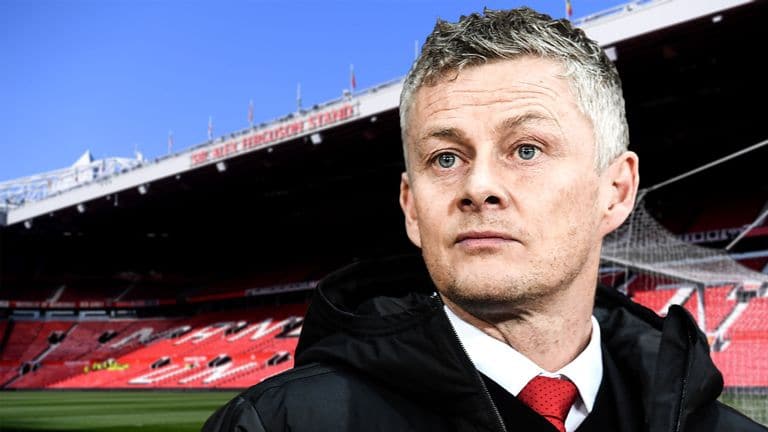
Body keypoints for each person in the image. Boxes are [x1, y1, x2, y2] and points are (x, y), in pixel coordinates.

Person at [203, 7, 766, 432]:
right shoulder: (276, 424)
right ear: (411, 208)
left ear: (615, 191)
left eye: (526, 149)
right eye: (446, 158)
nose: (478, 187)